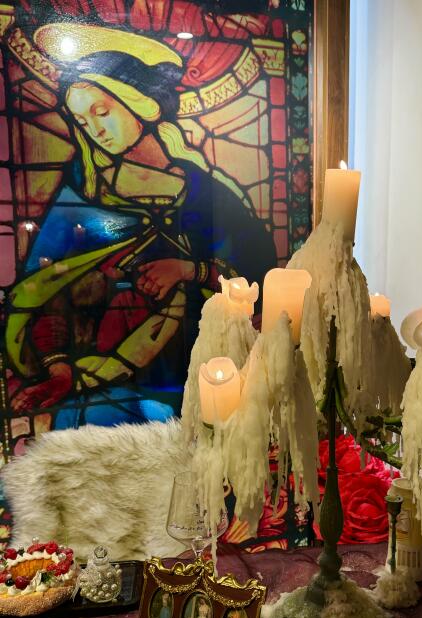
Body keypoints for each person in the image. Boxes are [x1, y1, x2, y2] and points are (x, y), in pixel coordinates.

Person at [7, 38, 277, 425]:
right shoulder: (82, 195)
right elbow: (43, 287)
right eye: (82, 121)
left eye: (102, 112)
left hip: (207, 374)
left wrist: (189, 270)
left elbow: (257, 273)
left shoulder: (205, 191)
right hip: (105, 385)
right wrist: (60, 370)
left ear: (142, 104)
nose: (95, 129)